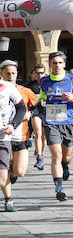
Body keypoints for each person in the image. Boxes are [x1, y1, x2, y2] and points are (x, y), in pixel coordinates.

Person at [39, 51, 73, 201]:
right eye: (54, 63)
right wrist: (41, 102)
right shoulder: (44, 80)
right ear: (50, 64)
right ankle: (59, 188)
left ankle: (65, 165)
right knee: (56, 155)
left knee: (66, 157)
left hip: (69, 121)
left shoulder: (72, 79)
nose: (57, 65)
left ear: (64, 64)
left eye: (60, 63)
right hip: (51, 122)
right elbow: (42, 96)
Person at [0, 60, 37, 211]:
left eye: (13, 73)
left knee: (19, 171)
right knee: (4, 173)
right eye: (7, 73)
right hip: (4, 136)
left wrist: (31, 114)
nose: (10, 76)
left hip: (20, 135)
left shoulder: (24, 90)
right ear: (1, 73)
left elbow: (38, 107)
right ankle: (9, 200)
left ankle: (10, 170)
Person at [0, 69, 26, 214]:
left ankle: (8, 198)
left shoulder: (7, 87)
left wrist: (13, 124)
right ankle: (8, 200)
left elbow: (21, 108)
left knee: (3, 179)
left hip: (2, 137)